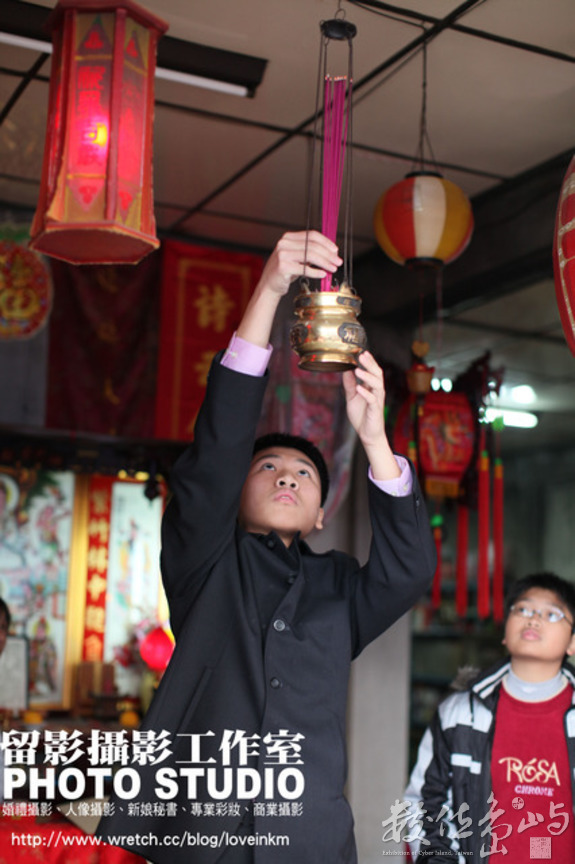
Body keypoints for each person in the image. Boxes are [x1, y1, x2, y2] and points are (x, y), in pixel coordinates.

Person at [97, 231, 435, 863]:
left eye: (304, 474)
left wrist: (374, 440)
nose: (286, 477)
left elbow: (409, 571)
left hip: (309, 840)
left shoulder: (340, 588)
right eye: (268, 468)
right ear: (235, 495)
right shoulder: (205, 564)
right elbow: (217, 450)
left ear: (320, 515)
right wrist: (271, 287)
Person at [404, 571, 575, 862]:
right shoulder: (459, 715)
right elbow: (424, 803)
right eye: (523, 609)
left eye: (552, 614)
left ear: (572, 642)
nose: (533, 619)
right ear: (505, 633)